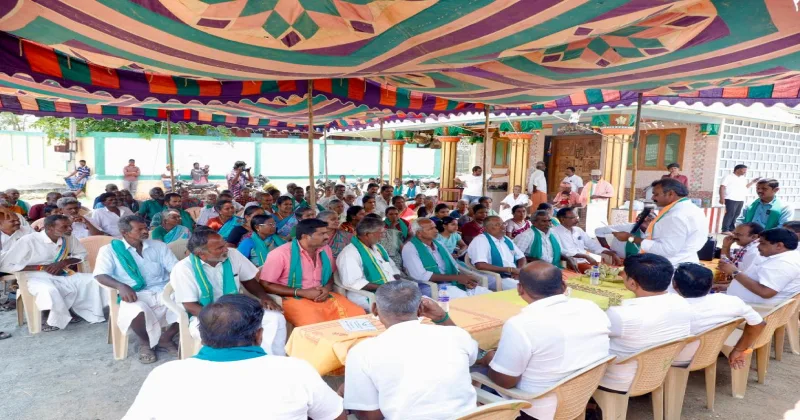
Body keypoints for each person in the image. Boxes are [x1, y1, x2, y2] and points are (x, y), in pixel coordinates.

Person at [123, 294, 346, 420]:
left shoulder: (165, 375)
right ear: (259, 335)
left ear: (202, 336)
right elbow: (336, 417)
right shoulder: (295, 370)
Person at [482, 261, 610, 420]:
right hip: (581, 396)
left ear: (520, 289)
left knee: (478, 372)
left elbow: (505, 382)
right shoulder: (591, 307)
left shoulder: (520, 325)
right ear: (563, 286)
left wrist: (489, 359)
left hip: (536, 410)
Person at [343, 280, 478, 419]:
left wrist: (352, 393)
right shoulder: (456, 334)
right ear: (420, 308)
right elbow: (473, 358)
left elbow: (370, 416)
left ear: (374, 309)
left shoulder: (361, 352)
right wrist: (442, 318)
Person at [171, 228, 286, 354]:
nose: (226, 249)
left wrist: (264, 297)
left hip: (238, 311)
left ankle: (269, 358)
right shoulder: (183, 269)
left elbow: (248, 280)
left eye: (224, 244)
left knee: (275, 318)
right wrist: (224, 319)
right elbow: (190, 305)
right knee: (231, 338)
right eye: (219, 248)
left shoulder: (233, 255)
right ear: (201, 254)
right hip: (206, 317)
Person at [599, 254, 691, 392]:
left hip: (618, 379)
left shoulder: (621, 315)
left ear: (632, 283)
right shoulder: (682, 302)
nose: (622, 276)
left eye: (624, 274)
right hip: (659, 370)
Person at [94, 215, 179, 363]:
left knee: (190, 299)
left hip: (162, 289)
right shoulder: (109, 250)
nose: (145, 231)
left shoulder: (158, 246)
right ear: (124, 232)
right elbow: (100, 275)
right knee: (135, 309)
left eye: (145, 228)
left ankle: (166, 338)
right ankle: (145, 342)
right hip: (134, 292)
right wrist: (120, 286)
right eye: (139, 229)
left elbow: (176, 269)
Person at [0, 215, 106, 331]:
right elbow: (6, 265)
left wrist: (63, 262)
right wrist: (41, 267)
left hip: (61, 272)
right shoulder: (29, 240)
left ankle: (85, 311)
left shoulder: (68, 237)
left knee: (92, 280)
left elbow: (81, 254)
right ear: (50, 228)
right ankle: (47, 318)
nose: (70, 229)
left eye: (70, 226)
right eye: (65, 227)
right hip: (33, 276)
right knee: (49, 290)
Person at [260, 219, 365, 327]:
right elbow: (266, 284)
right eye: (321, 234)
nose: (327, 236)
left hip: (323, 295)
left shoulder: (325, 249)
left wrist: (326, 288)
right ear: (305, 236)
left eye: (326, 233)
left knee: (358, 315)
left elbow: (331, 274)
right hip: (293, 298)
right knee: (315, 325)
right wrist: (301, 292)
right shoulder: (280, 254)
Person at [670, 263, 766, 368]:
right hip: (711, 353)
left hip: (672, 359)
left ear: (674, 285)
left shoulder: (671, 309)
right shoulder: (731, 301)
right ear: (711, 284)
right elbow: (759, 324)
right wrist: (739, 350)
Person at [612, 178, 708, 267]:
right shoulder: (694, 209)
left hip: (671, 266)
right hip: (686, 261)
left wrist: (630, 238)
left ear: (670, 194)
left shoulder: (675, 216)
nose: (653, 197)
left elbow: (667, 249)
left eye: (656, 194)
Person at [722, 228, 800, 307]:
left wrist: (735, 272)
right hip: (744, 304)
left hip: (755, 308)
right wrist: (727, 286)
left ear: (779, 245)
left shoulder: (784, 263)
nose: (758, 246)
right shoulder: (782, 258)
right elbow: (759, 281)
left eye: (763, 243)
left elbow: (766, 292)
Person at [336, 217, 401, 311]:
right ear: (367, 234)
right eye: (380, 233)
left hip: (390, 289)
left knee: (415, 297)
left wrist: (397, 282)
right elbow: (354, 282)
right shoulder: (349, 253)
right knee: (402, 306)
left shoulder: (378, 248)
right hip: (365, 295)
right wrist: (385, 288)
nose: (383, 236)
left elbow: (392, 267)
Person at [553, 207, 621, 273]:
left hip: (586, 261)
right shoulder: (554, 232)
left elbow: (592, 244)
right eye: (573, 218)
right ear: (562, 219)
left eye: (577, 217)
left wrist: (610, 253)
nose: (577, 220)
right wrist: (585, 256)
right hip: (572, 263)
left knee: (616, 271)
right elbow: (561, 251)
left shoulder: (578, 230)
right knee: (603, 273)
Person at [468, 215, 526, 291]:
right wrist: (509, 270)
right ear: (486, 228)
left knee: (538, 282)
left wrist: (519, 271)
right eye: (497, 225)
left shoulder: (506, 239)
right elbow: (480, 265)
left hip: (513, 274)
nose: (503, 227)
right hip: (495, 277)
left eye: (503, 224)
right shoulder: (480, 240)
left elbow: (521, 257)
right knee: (526, 288)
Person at [719, 165, 760, 233]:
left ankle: (731, 229)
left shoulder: (742, 178)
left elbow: (745, 187)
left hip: (740, 199)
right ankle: (725, 229)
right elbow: (722, 187)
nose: (745, 172)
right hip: (730, 198)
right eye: (744, 170)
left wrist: (753, 182)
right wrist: (721, 198)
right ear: (737, 169)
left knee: (736, 214)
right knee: (730, 214)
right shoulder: (728, 176)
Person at [581, 169, 614, 236]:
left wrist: (598, 196)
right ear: (591, 176)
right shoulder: (589, 184)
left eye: (597, 176)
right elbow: (583, 194)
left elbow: (611, 194)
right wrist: (584, 200)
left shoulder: (606, 184)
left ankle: (602, 234)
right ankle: (590, 235)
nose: (595, 177)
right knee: (590, 219)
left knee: (601, 219)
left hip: (601, 204)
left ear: (600, 176)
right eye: (593, 176)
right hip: (591, 204)